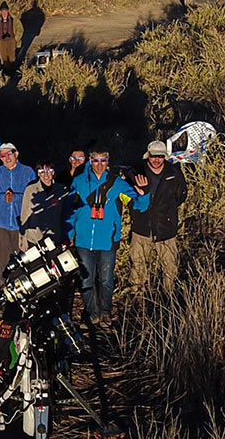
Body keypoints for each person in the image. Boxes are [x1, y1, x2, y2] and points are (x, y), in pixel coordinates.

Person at [66, 145, 149, 327]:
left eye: (103, 160)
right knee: (86, 280)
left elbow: (139, 205)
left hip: (108, 240)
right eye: (96, 160)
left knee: (106, 280)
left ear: (108, 161)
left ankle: (105, 312)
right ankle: (92, 313)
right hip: (83, 240)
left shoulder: (117, 182)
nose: (100, 165)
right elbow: (69, 209)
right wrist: (70, 232)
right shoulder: (79, 181)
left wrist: (143, 194)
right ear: (90, 161)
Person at [126, 140, 188, 294]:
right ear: (148, 156)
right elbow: (127, 198)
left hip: (166, 227)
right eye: (153, 156)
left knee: (170, 264)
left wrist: (167, 213)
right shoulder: (136, 172)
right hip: (141, 226)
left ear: (165, 157)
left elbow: (181, 196)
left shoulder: (174, 173)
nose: (156, 160)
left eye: (160, 156)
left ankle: (169, 295)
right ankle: (137, 294)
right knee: (138, 262)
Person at [0, 142, 35, 282]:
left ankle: (23, 291)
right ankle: (5, 290)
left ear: (16, 154)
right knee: (4, 261)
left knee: (22, 260)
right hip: (2, 223)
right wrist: (4, 198)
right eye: (3, 155)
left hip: (21, 224)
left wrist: (15, 198)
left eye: (10, 153)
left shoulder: (28, 172)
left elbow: (32, 196)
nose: (7, 158)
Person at [19, 161, 68, 250]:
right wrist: (23, 240)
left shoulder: (62, 190)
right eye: (42, 171)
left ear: (53, 172)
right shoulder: (30, 190)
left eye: (49, 171)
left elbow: (65, 214)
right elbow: (24, 215)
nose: (46, 175)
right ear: (38, 173)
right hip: (34, 237)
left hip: (54, 237)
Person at [0, 1, 22, 75]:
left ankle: (12, 72)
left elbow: (20, 29)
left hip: (11, 40)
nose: (4, 13)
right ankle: (5, 72)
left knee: (12, 56)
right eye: (3, 11)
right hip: (0, 41)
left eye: (6, 11)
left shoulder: (14, 19)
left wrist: (16, 38)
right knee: (3, 57)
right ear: (0, 11)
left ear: (8, 11)